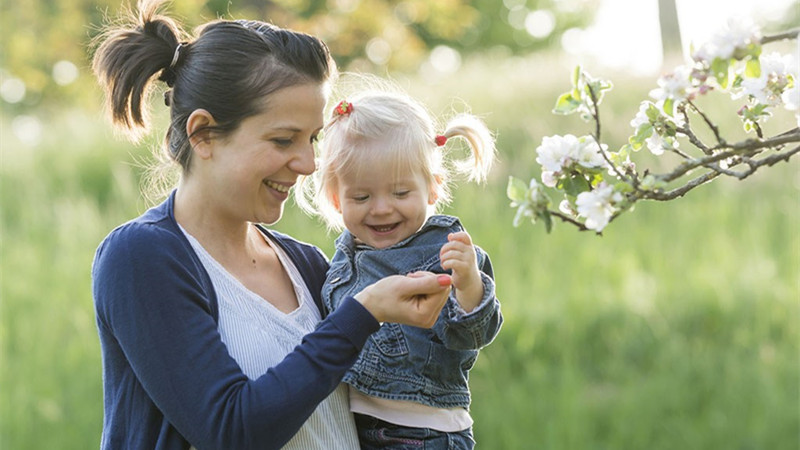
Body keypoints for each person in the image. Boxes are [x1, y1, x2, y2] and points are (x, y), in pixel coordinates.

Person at [89, 1, 453, 449]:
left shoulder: (308, 264)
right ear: (203, 133)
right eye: (284, 140)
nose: (307, 164)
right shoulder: (142, 258)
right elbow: (232, 430)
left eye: (312, 139)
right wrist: (364, 313)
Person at [298, 87, 503, 449]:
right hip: (356, 429)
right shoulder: (344, 256)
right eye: (361, 197)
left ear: (432, 189)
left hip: (423, 434)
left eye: (400, 193)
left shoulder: (446, 251)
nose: (381, 209)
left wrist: (469, 283)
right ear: (336, 198)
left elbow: (473, 334)